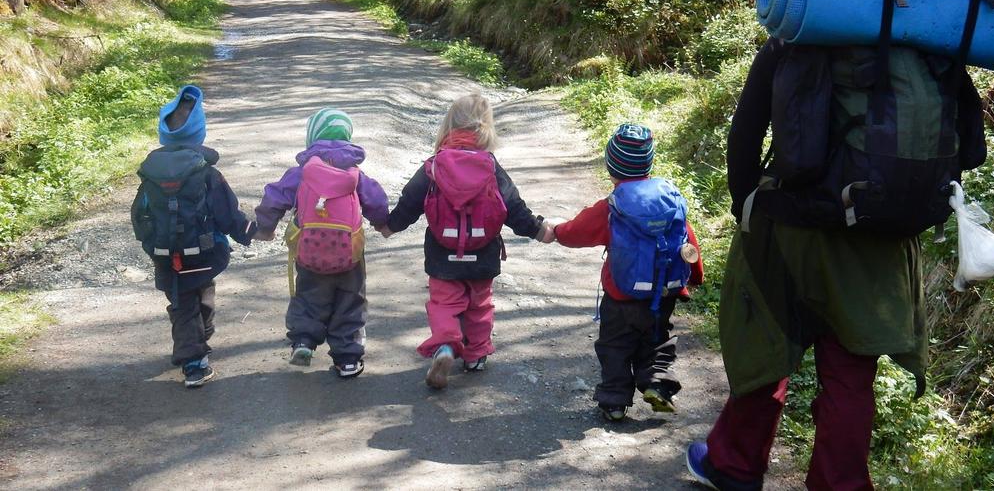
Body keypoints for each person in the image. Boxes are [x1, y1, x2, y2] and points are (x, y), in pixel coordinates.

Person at [686, 0, 988, 489]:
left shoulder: (809, 22)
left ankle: (733, 466)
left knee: (766, 347)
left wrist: (744, 205)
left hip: (790, 224)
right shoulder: (938, 40)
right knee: (851, 374)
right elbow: (968, 148)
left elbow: (746, 130)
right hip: (883, 232)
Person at [380, 93, 553, 389]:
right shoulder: (490, 166)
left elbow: (411, 200)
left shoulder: (434, 166)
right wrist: (539, 230)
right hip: (483, 252)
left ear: (448, 125)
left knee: (444, 304)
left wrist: (390, 225)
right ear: (486, 127)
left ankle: (446, 347)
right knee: (479, 305)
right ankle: (475, 355)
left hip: (442, 254)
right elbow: (513, 207)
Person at [553, 123, 704, 421]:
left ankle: (614, 401)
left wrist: (556, 231)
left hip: (621, 297)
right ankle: (658, 386)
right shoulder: (667, 199)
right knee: (657, 341)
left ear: (611, 165)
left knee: (614, 347)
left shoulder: (612, 207)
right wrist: (695, 276)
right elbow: (687, 237)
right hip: (663, 295)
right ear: (649, 161)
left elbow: (576, 232)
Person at [131, 85, 257, 388]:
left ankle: (195, 343)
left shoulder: (150, 175)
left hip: (165, 254)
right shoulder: (207, 173)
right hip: (205, 253)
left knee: (183, 302)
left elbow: (139, 216)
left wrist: (151, 244)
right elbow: (227, 213)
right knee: (198, 299)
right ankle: (194, 363)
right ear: (200, 134)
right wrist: (249, 232)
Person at [253, 109, 388, 378]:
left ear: (312, 137)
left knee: (308, 297)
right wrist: (383, 224)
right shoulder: (355, 174)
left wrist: (265, 228)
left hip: (309, 250)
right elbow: (377, 200)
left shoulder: (302, 172)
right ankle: (348, 358)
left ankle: (303, 342)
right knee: (350, 301)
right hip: (349, 253)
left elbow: (274, 196)